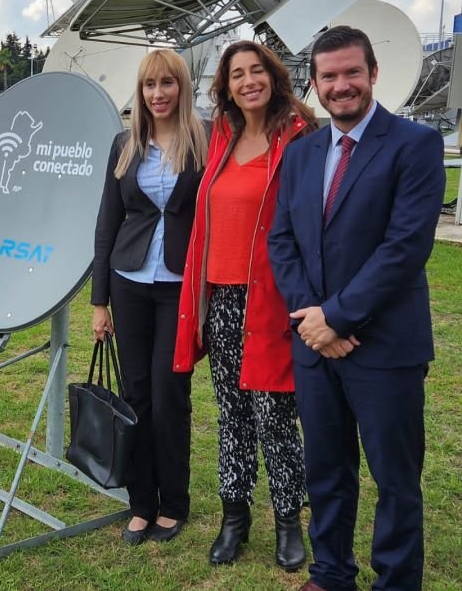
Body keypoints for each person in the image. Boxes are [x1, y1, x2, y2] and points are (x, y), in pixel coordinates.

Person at [268, 26, 444, 591]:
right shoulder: (302, 153)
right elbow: (283, 240)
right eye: (329, 76)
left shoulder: (414, 144)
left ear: (373, 73)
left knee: (395, 479)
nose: (341, 86)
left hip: (386, 347)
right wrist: (313, 320)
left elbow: (404, 248)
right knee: (327, 471)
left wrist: (336, 318)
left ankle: (395, 581)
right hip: (318, 347)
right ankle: (331, 573)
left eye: (351, 73)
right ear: (314, 84)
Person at [175, 40, 316, 570]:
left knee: (275, 415)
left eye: (257, 70)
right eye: (237, 74)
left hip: (272, 300)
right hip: (222, 299)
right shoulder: (222, 137)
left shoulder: (298, 138)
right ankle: (234, 518)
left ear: (273, 76)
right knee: (232, 415)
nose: (248, 81)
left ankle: (288, 521)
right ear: (226, 86)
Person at [92, 49, 208, 545]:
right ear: (139, 92)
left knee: (169, 395)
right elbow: (106, 224)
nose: (157, 94)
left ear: (181, 87)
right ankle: (141, 501)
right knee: (136, 394)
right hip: (129, 282)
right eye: (148, 85)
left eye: (167, 84)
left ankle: (174, 503)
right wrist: (100, 302)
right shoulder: (124, 144)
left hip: (180, 287)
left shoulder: (204, 141)